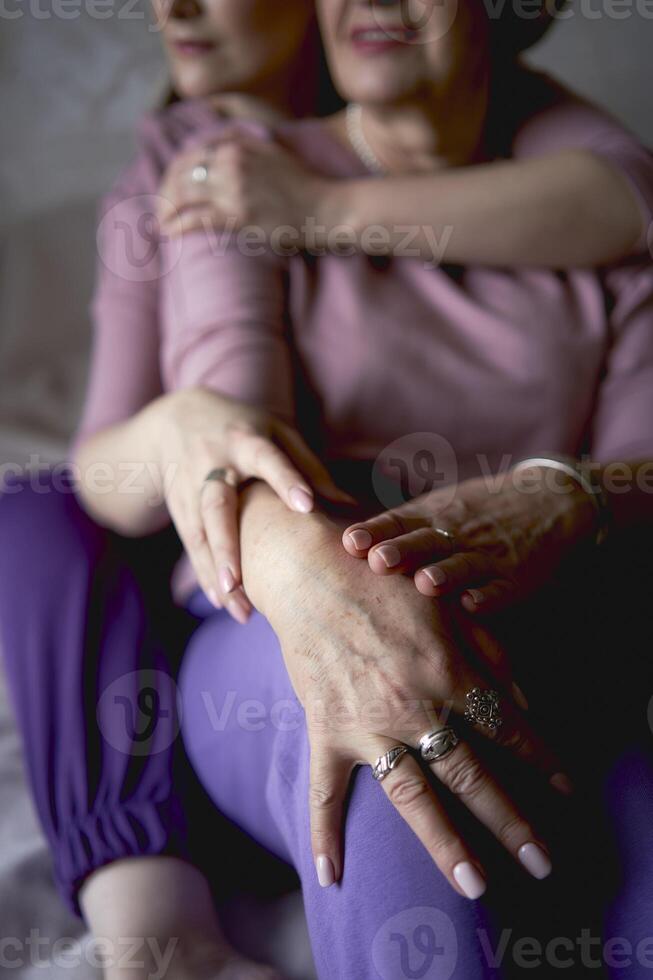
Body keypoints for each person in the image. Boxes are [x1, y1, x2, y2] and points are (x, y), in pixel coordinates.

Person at [1, 2, 653, 979]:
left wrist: (566, 497)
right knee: (36, 508)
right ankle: (158, 932)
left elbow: (636, 450)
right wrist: (331, 590)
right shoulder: (223, 175)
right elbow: (230, 424)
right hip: (270, 622)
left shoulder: (585, 192)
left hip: (537, 643)